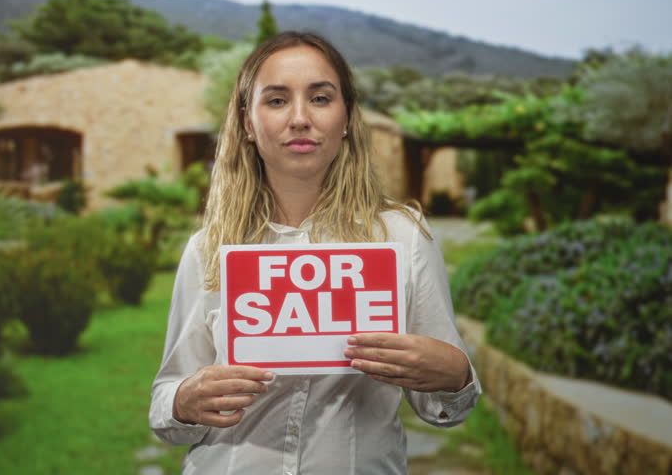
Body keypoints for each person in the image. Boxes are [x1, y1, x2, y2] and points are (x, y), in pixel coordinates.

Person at [149, 31, 481, 474]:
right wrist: (185, 400)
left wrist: (455, 374)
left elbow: (446, 407)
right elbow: (166, 402)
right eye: (277, 100)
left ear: (346, 118)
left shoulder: (402, 239)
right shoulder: (209, 248)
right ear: (248, 124)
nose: (300, 118)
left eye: (321, 98)